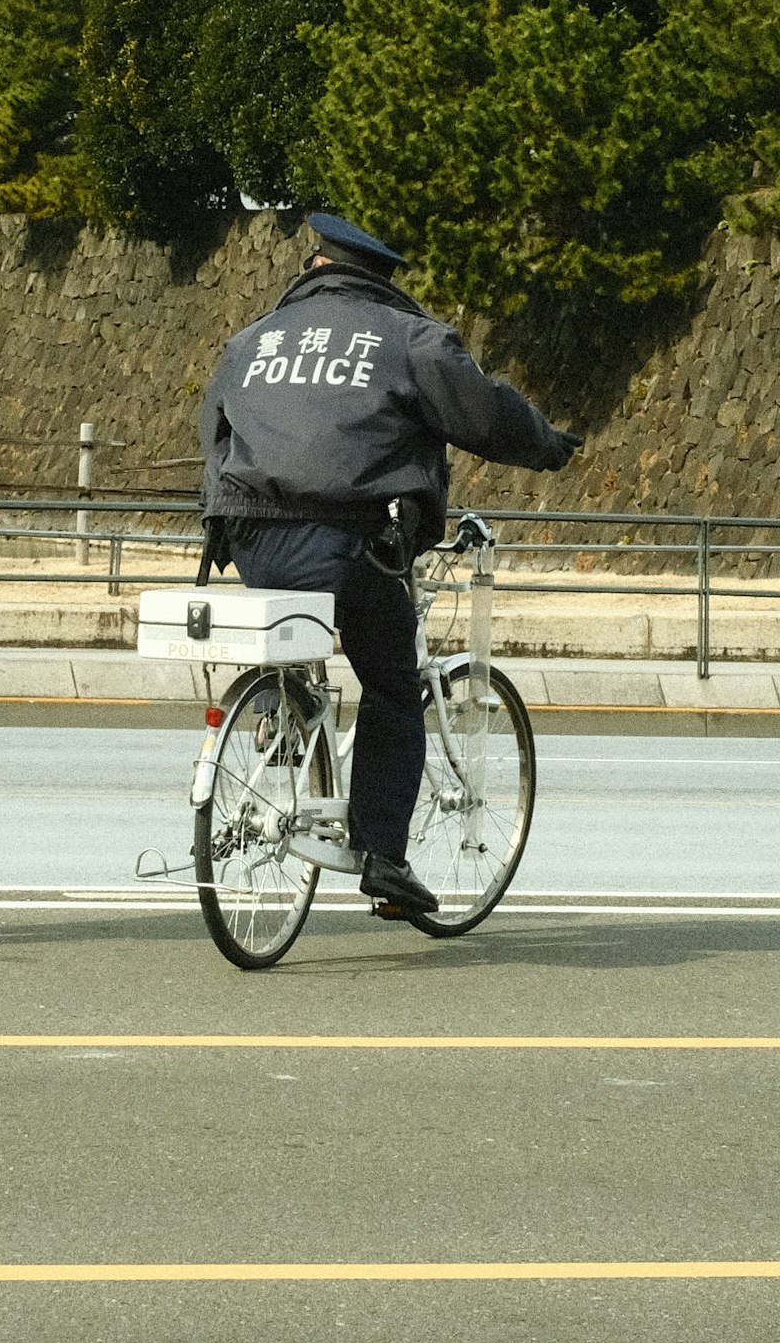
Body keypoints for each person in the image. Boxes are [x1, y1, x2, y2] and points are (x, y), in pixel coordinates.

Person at [198, 211, 577, 924]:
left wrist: (221, 519)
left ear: (315, 267)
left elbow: (213, 430)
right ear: (380, 279)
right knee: (394, 683)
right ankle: (382, 855)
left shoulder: (250, 342)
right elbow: (483, 413)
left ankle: (281, 710)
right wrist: (547, 443)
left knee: (299, 623)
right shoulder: (406, 339)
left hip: (251, 536)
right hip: (345, 538)